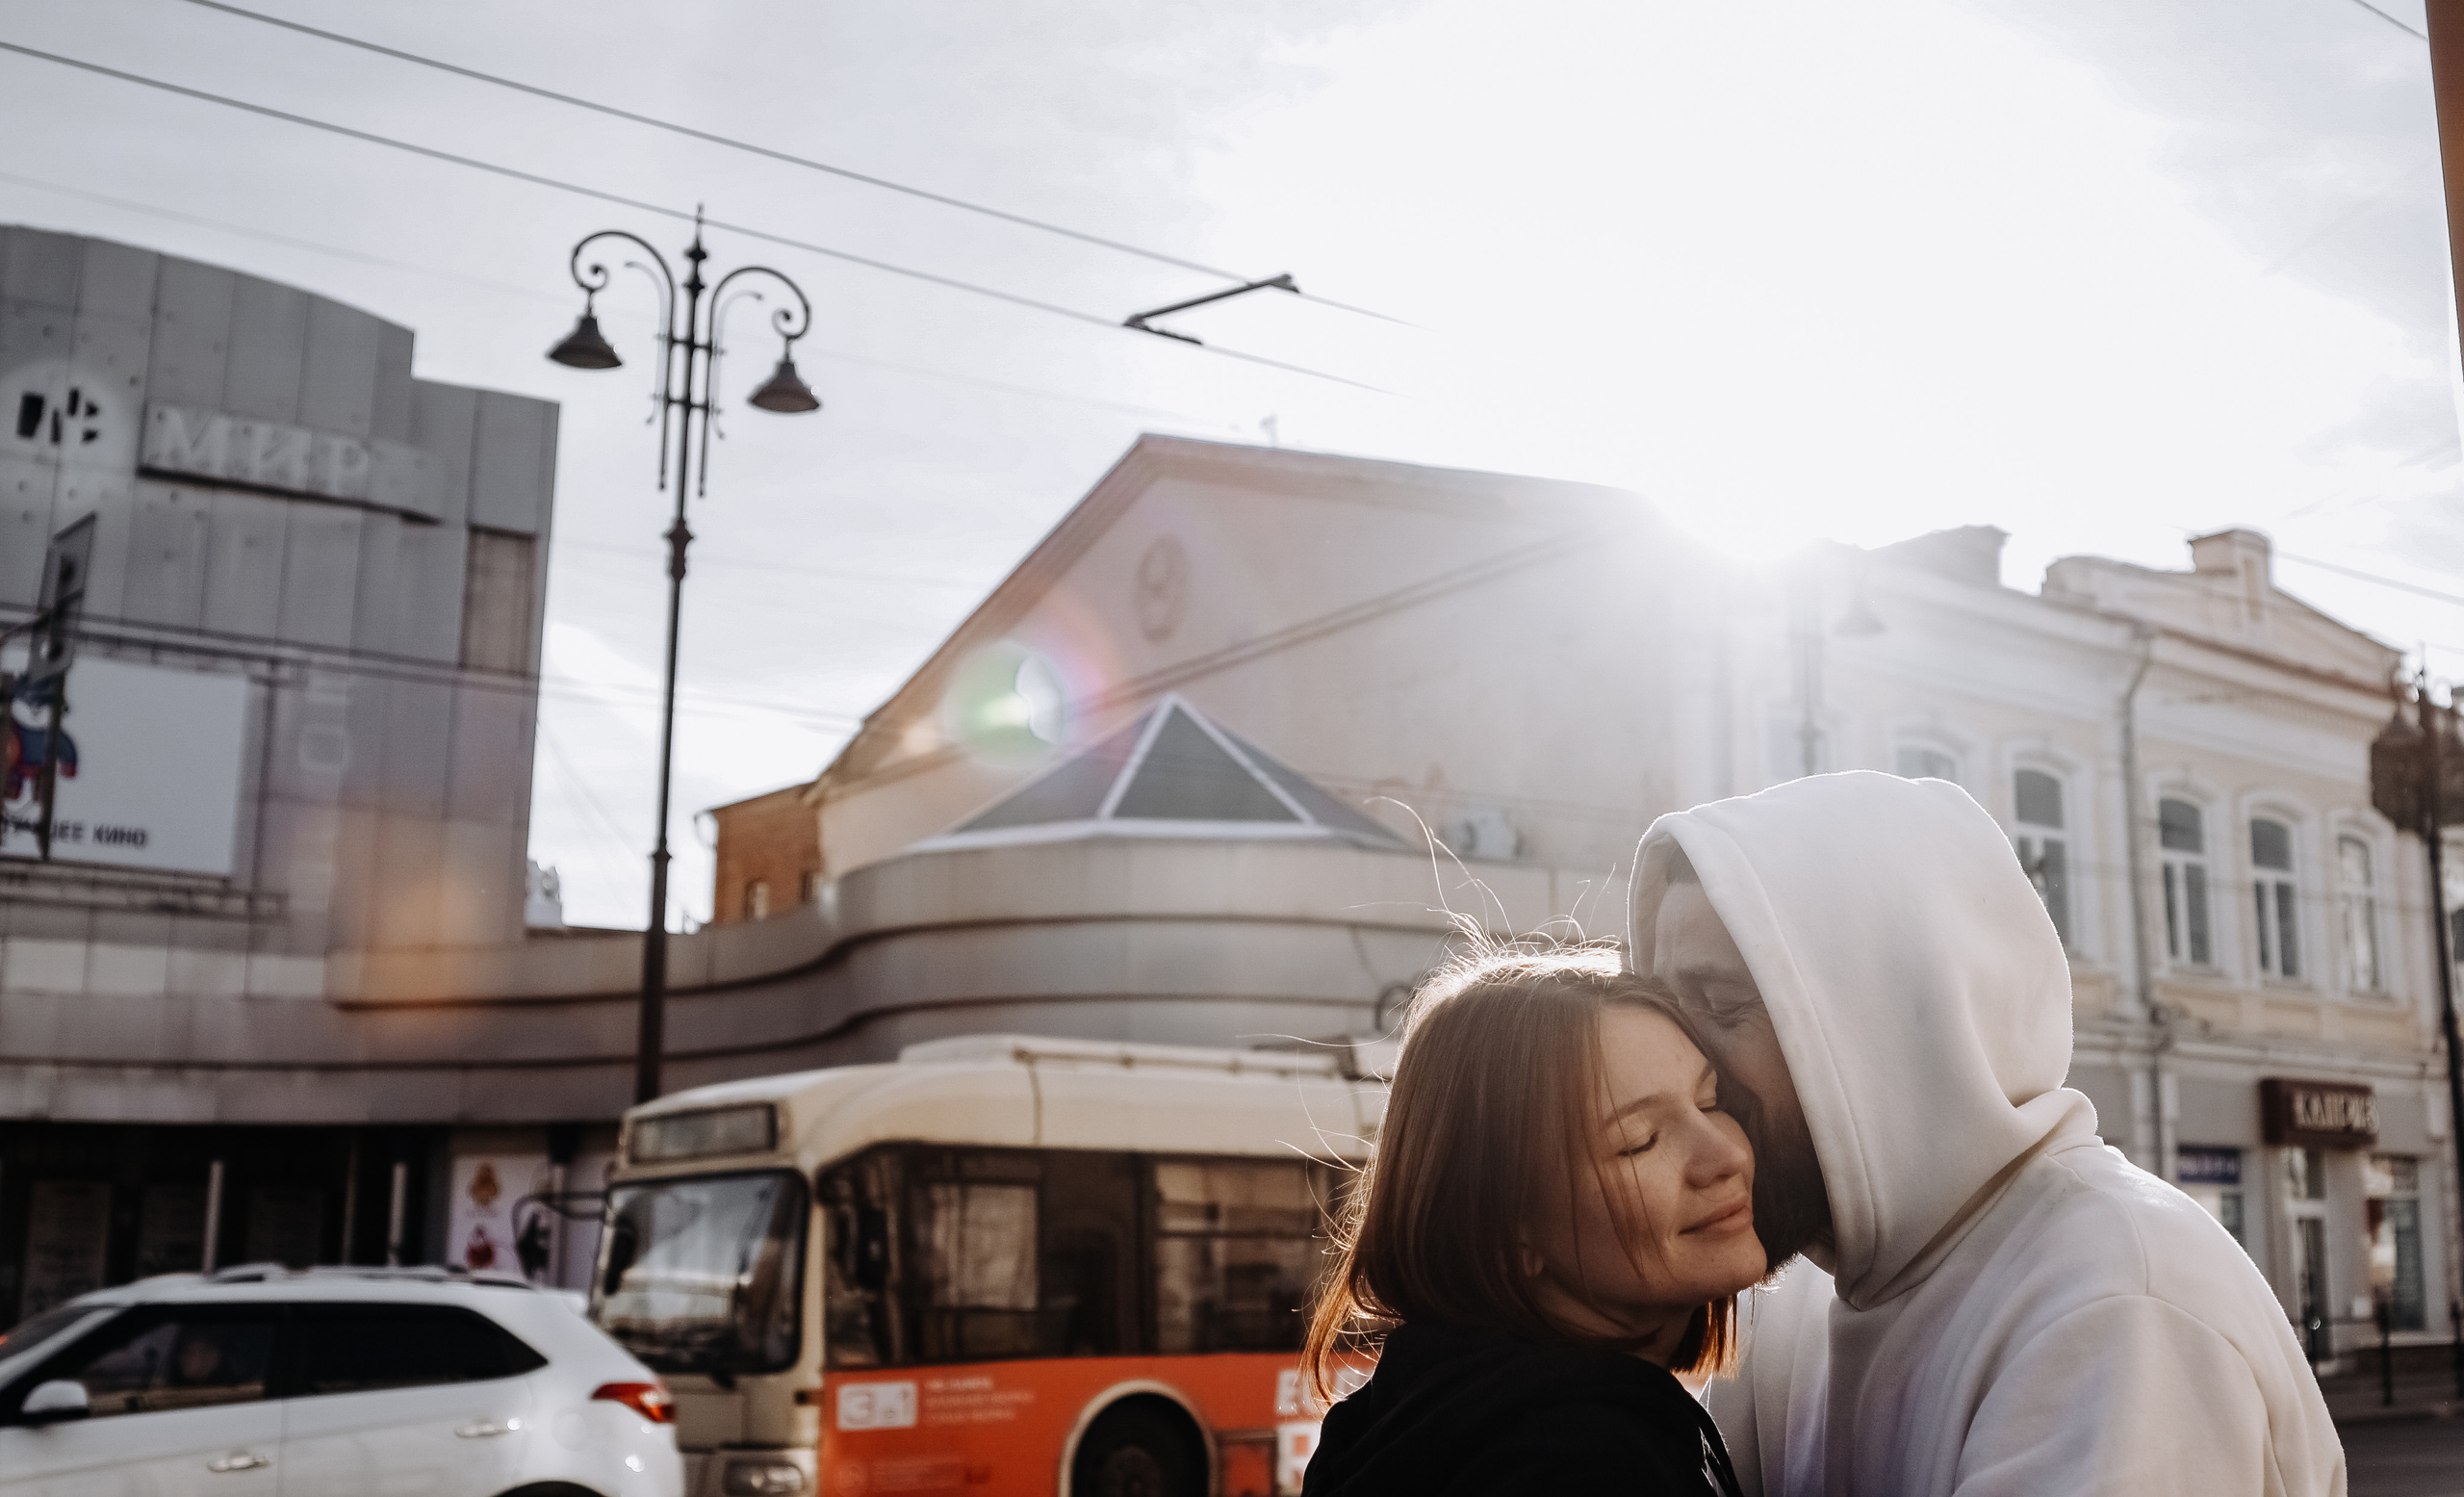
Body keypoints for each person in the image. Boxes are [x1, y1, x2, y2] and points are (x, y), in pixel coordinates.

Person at [1629, 771, 2345, 1497]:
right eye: (1667, 1010)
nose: (1682, 1060)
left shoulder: (2117, 1302)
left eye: (1719, 1005)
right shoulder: (1792, 1301)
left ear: (1878, 1019)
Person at [1300, 945, 1759, 1497]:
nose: (1726, 1157)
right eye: (1640, 1142)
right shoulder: (1587, 1463)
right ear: (1501, 1231)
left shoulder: (1405, 1421)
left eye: (1710, 1102)